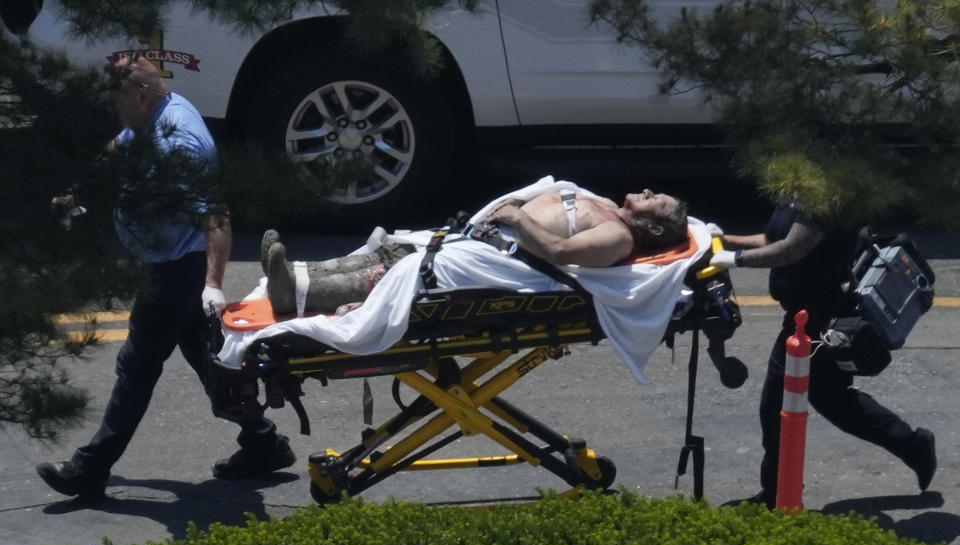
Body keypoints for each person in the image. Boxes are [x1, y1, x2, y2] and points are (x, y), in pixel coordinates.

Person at [36, 54, 295, 501]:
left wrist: (212, 286)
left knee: (136, 367)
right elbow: (119, 145)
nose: (111, 106)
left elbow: (216, 217)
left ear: (139, 94)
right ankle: (263, 443)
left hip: (177, 271)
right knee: (210, 362)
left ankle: (90, 468)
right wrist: (80, 190)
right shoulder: (150, 116)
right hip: (169, 265)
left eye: (115, 98)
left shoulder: (180, 143)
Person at [710, 202, 937, 507]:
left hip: (816, 317)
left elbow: (790, 250)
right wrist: (726, 239)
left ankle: (776, 494)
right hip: (806, 311)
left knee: (776, 405)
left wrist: (734, 259)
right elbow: (772, 240)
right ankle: (912, 445)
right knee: (834, 400)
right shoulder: (797, 194)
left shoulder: (826, 199)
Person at [264, 187, 690, 315]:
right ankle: (300, 273)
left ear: (651, 224)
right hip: (487, 238)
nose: (650, 190)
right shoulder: (610, 208)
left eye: (658, 200)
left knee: (408, 269)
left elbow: (560, 251)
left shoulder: (618, 237)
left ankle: (297, 292)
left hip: (503, 262)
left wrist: (518, 218)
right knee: (395, 252)